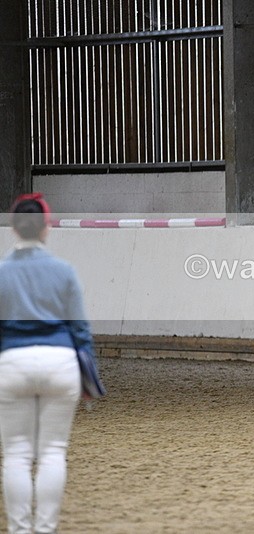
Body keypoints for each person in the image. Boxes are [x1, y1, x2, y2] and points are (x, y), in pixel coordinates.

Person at [0, 193, 96, 534]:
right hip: (60, 363)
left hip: (13, 362)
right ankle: (46, 528)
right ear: (46, 228)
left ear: (14, 228)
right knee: (54, 452)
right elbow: (80, 330)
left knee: (16, 455)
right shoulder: (64, 271)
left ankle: (19, 529)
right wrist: (90, 379)